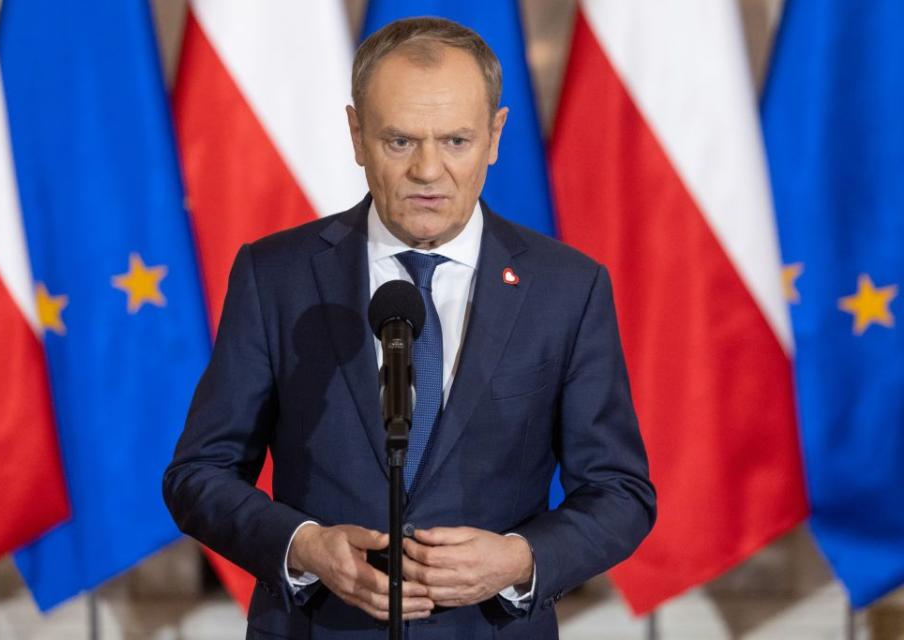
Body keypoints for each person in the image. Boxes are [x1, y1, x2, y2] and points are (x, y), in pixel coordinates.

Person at [163, 16, 655, 640]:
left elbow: (620, 493)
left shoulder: (567, 289)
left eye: (455, 141)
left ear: (495, 136)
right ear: (357, 135)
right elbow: (198, 474)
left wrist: (520, 559)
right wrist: (305, 547)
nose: (428, 170)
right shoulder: (276, 276)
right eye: (400, 141)